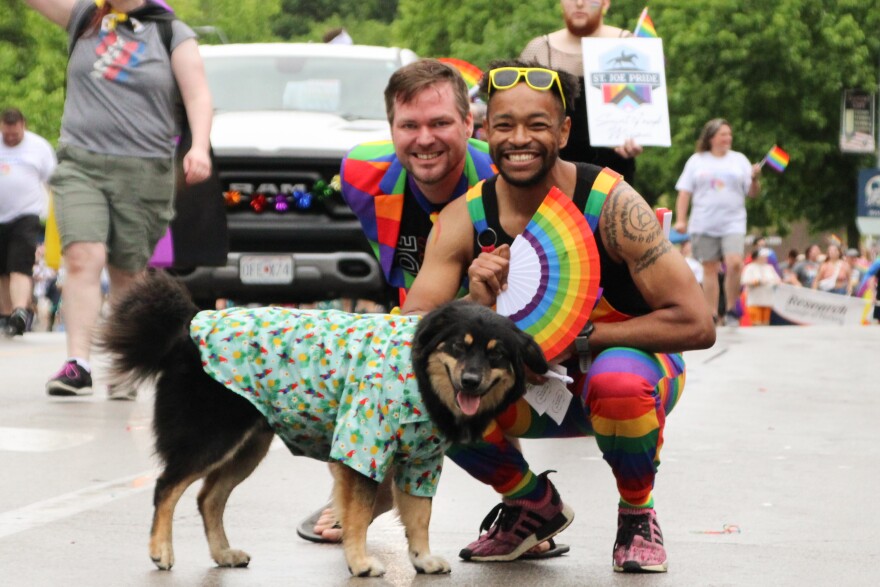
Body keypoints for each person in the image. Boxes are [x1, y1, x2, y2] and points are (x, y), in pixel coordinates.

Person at [402, 59, 716, 572]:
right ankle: (529, 504)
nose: (518, 138)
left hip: (624, 378)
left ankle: (637, 513)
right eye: (504, 125)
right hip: (524, 388)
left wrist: (586, 338)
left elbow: (697, 324)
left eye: (537, 124)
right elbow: (410, 332)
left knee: (618, 378)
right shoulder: (465, 216)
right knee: (428, 386)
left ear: (564, 131)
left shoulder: (611, 203)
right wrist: (474, 305)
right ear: (485, 131)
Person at [297, 58, 503, 545]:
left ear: (469, 124)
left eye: (440, 123)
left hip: (500, 311)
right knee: (355, 368)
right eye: (409, 125)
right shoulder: (359, 173)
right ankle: (367, 488)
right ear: (391, 128)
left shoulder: (500, 174)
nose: (424, 138)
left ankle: (522, 504)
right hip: (415, 305)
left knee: (478, 372)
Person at [25, 0, 213, 396]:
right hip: (80, 163)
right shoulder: (85, 19)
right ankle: (77, 363)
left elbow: (197, 95)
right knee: (82, 256)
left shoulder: (171, 32)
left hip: (144, 168)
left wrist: (200, 147)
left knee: (128, 271)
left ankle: (126, 364)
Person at [520, 0, 643, 185]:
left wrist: (639, 136)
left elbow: (643, 107)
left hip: (612, 172)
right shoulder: (540, 50)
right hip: (552, 173)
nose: (579, 3)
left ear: (605, 3)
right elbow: (521, 109)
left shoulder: (629, 45)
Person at [674, 118, 762, 327]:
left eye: (729, 134)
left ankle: (732, 309)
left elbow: (753, 193)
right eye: (723, 134)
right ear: (711, 137)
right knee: (710, 267)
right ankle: (711, 313)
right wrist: (680, 219)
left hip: (733, 222)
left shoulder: (739, 159)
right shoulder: (697, 160)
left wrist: (755, 178)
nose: (728, 138)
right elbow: (685, 192)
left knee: (734, 263)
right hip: (704, 222)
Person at [0, 107, 57, 337]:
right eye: (7, 134)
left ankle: (20, 311)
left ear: (24, 125)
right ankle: (6, 316)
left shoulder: (39, 146)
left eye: (15, 134)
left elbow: (53, 181)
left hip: (26, 214)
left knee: (19, 265)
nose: (11, 138)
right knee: (2, 270)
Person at [740, 248, 780, 326]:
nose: (765, 258)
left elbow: (777, 280)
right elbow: (744, 281)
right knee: (756, 323)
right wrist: (758, 282)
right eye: (763, 256)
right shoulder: (750, 267)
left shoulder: (769, 268)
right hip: (755, 300)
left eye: (766, 256)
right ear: (757, 257)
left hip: (767, 300)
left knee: (765, 323)